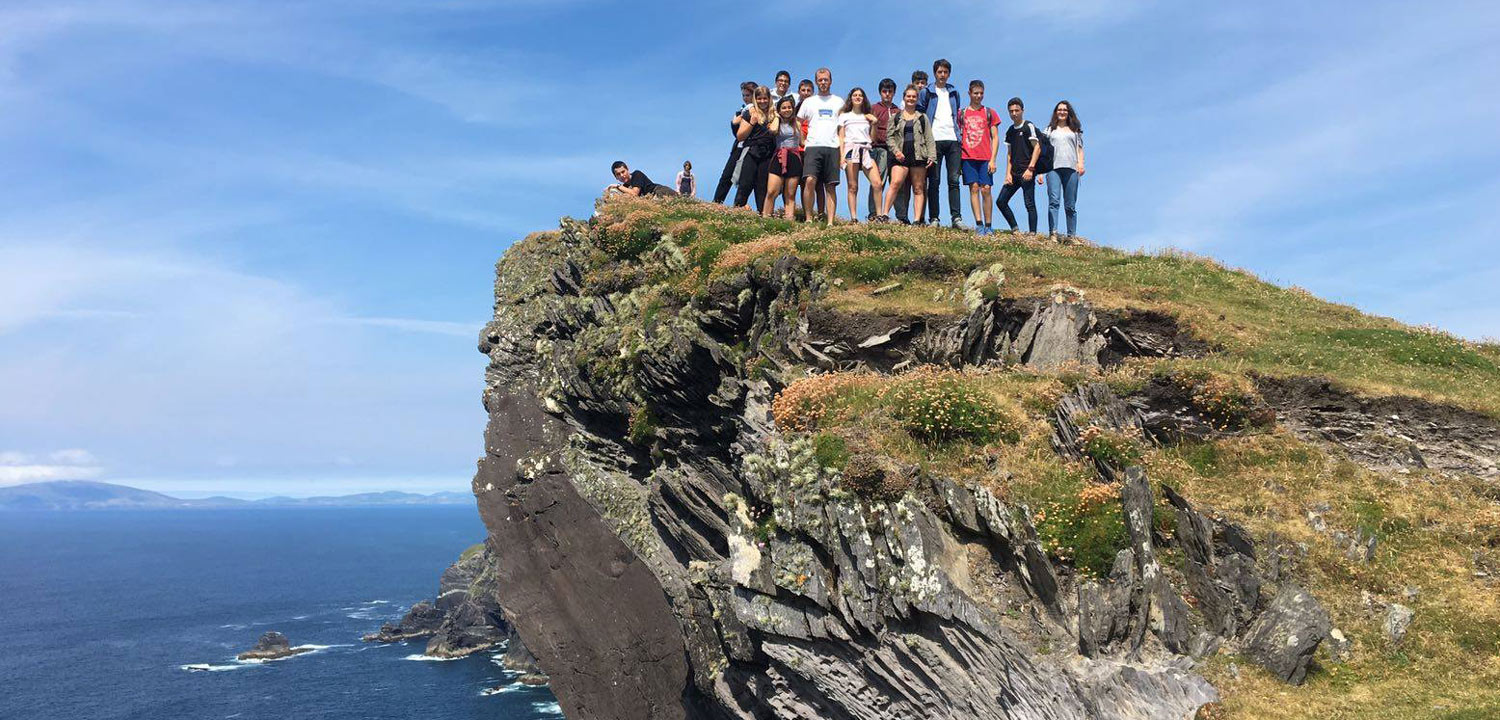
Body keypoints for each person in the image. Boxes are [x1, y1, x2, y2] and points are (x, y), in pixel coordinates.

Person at [918, 59, 964, 228]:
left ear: (949, 74)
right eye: (939, 72)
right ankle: (934, 218)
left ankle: (956, 218)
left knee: (954, 180)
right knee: (934, 181)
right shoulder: (927, 92)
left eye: (945, 72)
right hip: (934, 140)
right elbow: (920, 113)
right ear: (934, 73)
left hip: (952, 140)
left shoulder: (954, 92)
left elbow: (956, 112)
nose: (942, 75)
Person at [881, 85, 935, 224]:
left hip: (918, 156)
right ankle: (884, 214)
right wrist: (896, 151)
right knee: (895, 183)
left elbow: (929, 138)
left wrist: (932, 156)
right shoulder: (896, 117)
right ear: (904, 98)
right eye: (908, 96)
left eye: (914, 96)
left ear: (917, 99)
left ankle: (917, 220)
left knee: (918, 188)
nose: (911, 99)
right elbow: (890, 137)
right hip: (901, 156)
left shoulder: (923, 118)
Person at [796, 68, 843, 225]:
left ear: (831, 81)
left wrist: (842, 148)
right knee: (809, 180)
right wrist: (802, 139)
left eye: (826, 79)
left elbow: (842, 127)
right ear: (816, 81)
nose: (823, 82)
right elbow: (798, 120)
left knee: (830, 186)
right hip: (813, 146)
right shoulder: (809, 102)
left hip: (832, 146)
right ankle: (809, 218)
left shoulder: (838, 101)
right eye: (820, 80)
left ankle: (829, 222)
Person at [958, 80, 1002, 235]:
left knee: (986, 189)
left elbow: (995, 137)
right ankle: (979, 224)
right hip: (968, 156)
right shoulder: (962, 113)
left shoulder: (989, 113)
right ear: (969, 93)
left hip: (985, 157)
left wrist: (993, 159)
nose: (978, 96)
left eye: (981, 93)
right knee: (974, 188)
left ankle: (989, 224)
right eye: (976, 93)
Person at [837, 88, 885, 222]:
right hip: (851, 149)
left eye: (860, 95)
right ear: (850, 98)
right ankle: (853, 217)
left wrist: (874, 123)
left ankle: (879, 215)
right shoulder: (844, 116)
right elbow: (841, 137)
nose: (857, 97)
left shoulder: (867, 116)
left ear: (864, 98)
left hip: (866, 149)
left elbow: (873, 138)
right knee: (853, 186)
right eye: (855, 95)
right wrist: (841, 156)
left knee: (877, 183)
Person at [996, 97, 1041, 233]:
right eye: (1011, 111)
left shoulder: (1028, 126)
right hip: (1014, 173)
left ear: (1022, 110)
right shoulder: (1010, 131)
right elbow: (1009, 153)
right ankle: (1015, 230)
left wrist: (1030, 169)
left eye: (1017, 110)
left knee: (1029, 204)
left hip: (1027, 172)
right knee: (1001, 201)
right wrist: (1007, 174)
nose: (1014, 113)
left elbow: (1037, 147)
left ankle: (1032, 233)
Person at [1042, 100, 1085, 236]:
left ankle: (1071, 235)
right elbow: (1043, 151)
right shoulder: (1049, 130)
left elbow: (1080, 149)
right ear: (1056, 112)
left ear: (1068, 112)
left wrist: (1081, 164)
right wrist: (1040, 172)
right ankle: (1053, 233)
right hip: (1052, 168)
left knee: (1070, 205)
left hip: (1071, 168)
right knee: (1054, 201)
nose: (1062, 112)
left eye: (1065, 110)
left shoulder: (1075, 130)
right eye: (1059, 109)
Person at [891, 70, 929, 223]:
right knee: (902, 185)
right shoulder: (904, 104)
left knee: (920, 186)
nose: (920, 85)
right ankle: (902, 216)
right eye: (917, 83)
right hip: (904, 148)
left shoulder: (927, 102)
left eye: (923, 83)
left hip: (921, 149)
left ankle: (919, 218)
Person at [734, 86, 777, 213]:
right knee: (745, 184)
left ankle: (762, 216)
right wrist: (752, 123)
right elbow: (740, 136)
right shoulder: (749, 114)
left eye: (765, 98)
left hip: (768, 154)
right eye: (759, 98)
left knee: (762, 187)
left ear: (769, 99)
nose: (762, 101)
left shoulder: (774, 115)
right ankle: (736, 212)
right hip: (751, 151)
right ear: (755, 99)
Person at [713, 81, 758, 204]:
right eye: (743, 95)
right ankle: (716, 202)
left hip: (750, 148)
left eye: (748, 95)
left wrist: (740, 119)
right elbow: (736, 131)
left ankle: (738, 207)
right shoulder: (742, 110)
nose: (745, 98)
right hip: (738, 147)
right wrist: (735, 122)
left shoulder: (754, 110)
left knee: (745, 180)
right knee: (726, 176)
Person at [764, 96, 803, 219]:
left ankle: (789, 220)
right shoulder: (776, 121)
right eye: (784, 108)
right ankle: (766, 218)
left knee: (790, 194)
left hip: (794, 158)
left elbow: (803, 142)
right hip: (779, 157)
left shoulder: (797, 123)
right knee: (771, 192)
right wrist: (776, 116)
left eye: (789, 107)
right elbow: (773, 130)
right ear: (779, 110)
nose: (787, 110)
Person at [867, 78, 899, 222]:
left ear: (894, 93)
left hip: (895, 150)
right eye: (884, 91)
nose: (887, 94)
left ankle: (892, 214)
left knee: (896, 183)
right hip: (878, 148)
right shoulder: (874, 108)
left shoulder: (898, 110)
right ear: (880, 92)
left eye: (890, 91)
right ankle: (873, 213)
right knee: (878, 181)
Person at [605, 161, 676, 197]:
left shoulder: (636, 174)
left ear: (628, 170)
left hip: (660, 192)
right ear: (616, 177)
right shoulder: (626, 188)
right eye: (618, 174)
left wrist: (617, 186)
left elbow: (634, 193)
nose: (622, 175)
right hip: (651, 199)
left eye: (623, 172)